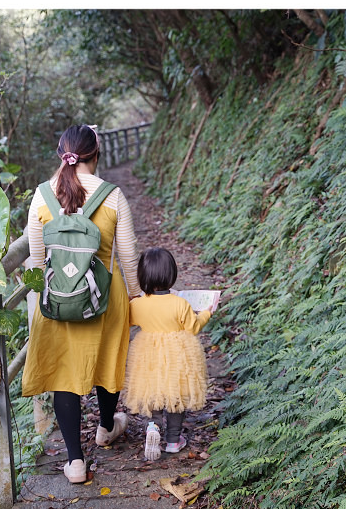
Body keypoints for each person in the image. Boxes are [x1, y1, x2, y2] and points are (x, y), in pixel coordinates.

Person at [21, 124, 140, 484]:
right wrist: (135, 295)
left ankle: (75, 462)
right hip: (104, 296)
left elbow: (36, 258)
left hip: (58, 300)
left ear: (62, 154)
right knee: (108, 360)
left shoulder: (42, 196)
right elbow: (129, 255)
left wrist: (60, 285)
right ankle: (106, 427)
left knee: (63, 375)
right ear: (96, 155)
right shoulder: (113, 195)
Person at [122, 247, 211, 461]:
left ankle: (152, 428)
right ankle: (173, 441)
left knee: (152, 394)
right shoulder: (180, 303)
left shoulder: (137, 304)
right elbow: (193, 327)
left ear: (142, 276)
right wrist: (207, 312)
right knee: (174, 397)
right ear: (171, 274)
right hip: (177, 355)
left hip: (147, 353)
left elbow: (128, 321)